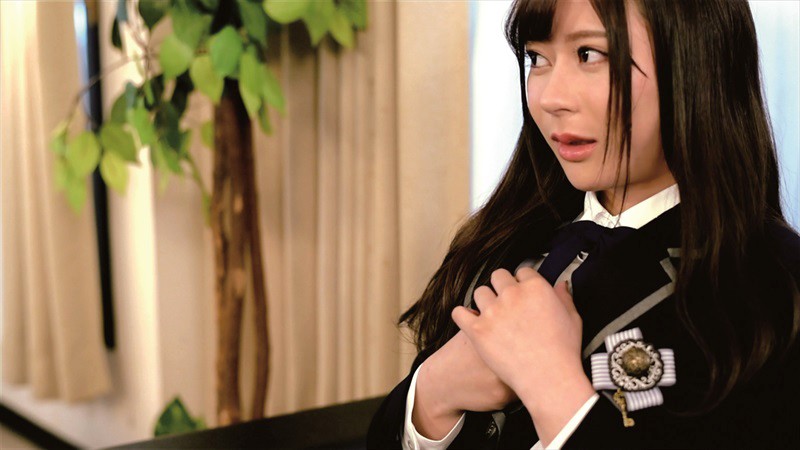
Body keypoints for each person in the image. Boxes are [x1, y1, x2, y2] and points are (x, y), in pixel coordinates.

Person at [367, 0, 800, 448]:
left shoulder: (774, 289)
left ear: (697, 63)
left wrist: (552, 388)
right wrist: (434, 393)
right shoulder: (501, 237)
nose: (551, 98)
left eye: (589, 55)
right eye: (537, 58)